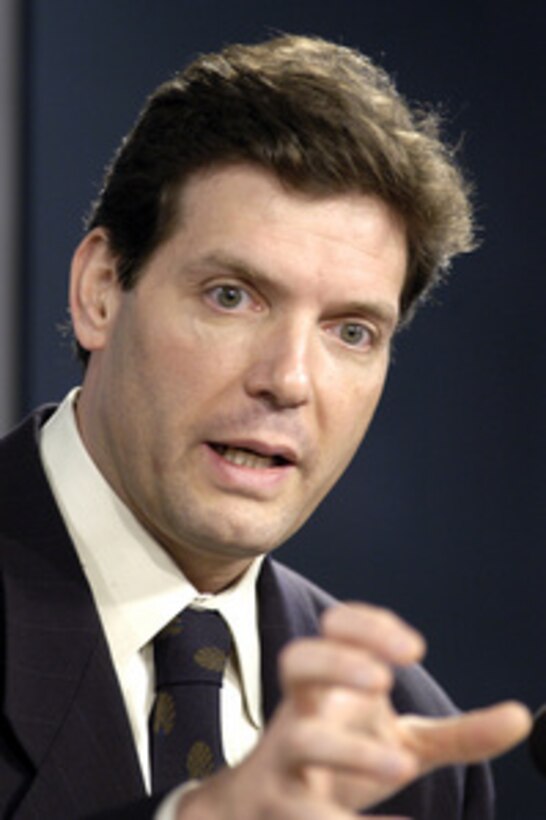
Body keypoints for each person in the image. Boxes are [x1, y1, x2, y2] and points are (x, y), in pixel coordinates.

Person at [0, 34, 530, 820]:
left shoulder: (413, 761)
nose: (288, 380)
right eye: (232, 296)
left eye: (351, 332)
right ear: (102, 292)